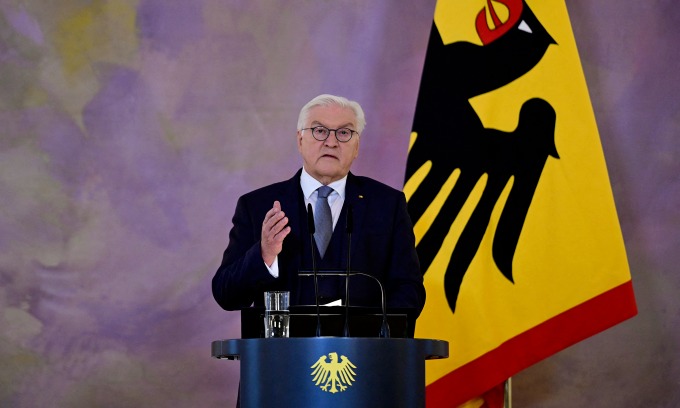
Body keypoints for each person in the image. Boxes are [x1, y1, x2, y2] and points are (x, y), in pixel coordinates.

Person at [212, 94, 425, 319]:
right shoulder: (257, 206)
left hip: (361, 342)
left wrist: (377, 332)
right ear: (300, 140)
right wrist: (264, 254)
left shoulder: (387, 205)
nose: (331, 142)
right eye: (320, 131)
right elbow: (226, 294)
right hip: (283, 342)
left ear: (356, 146)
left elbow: (409, 289)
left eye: (344, 133)